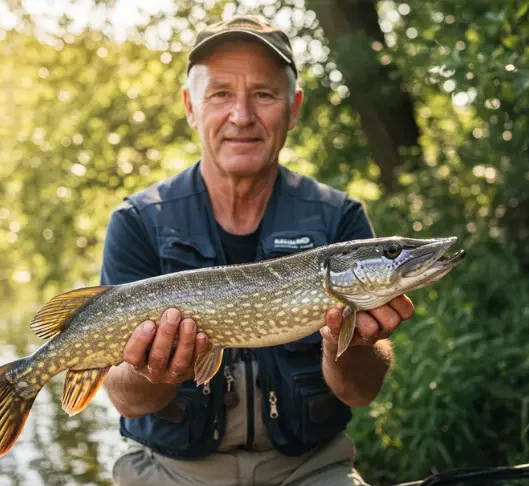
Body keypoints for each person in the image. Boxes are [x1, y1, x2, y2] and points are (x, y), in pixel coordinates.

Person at [99, 15, 414, 486]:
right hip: (173, 471)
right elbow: (125, 398)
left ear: (293, 108)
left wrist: (349, 343)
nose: (242, 116)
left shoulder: (339, 220)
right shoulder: (138, 221)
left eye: (263, 94)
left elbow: (361, 391)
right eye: (221, 93)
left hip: (311, 469)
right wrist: (157, 373)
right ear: (190, 107)